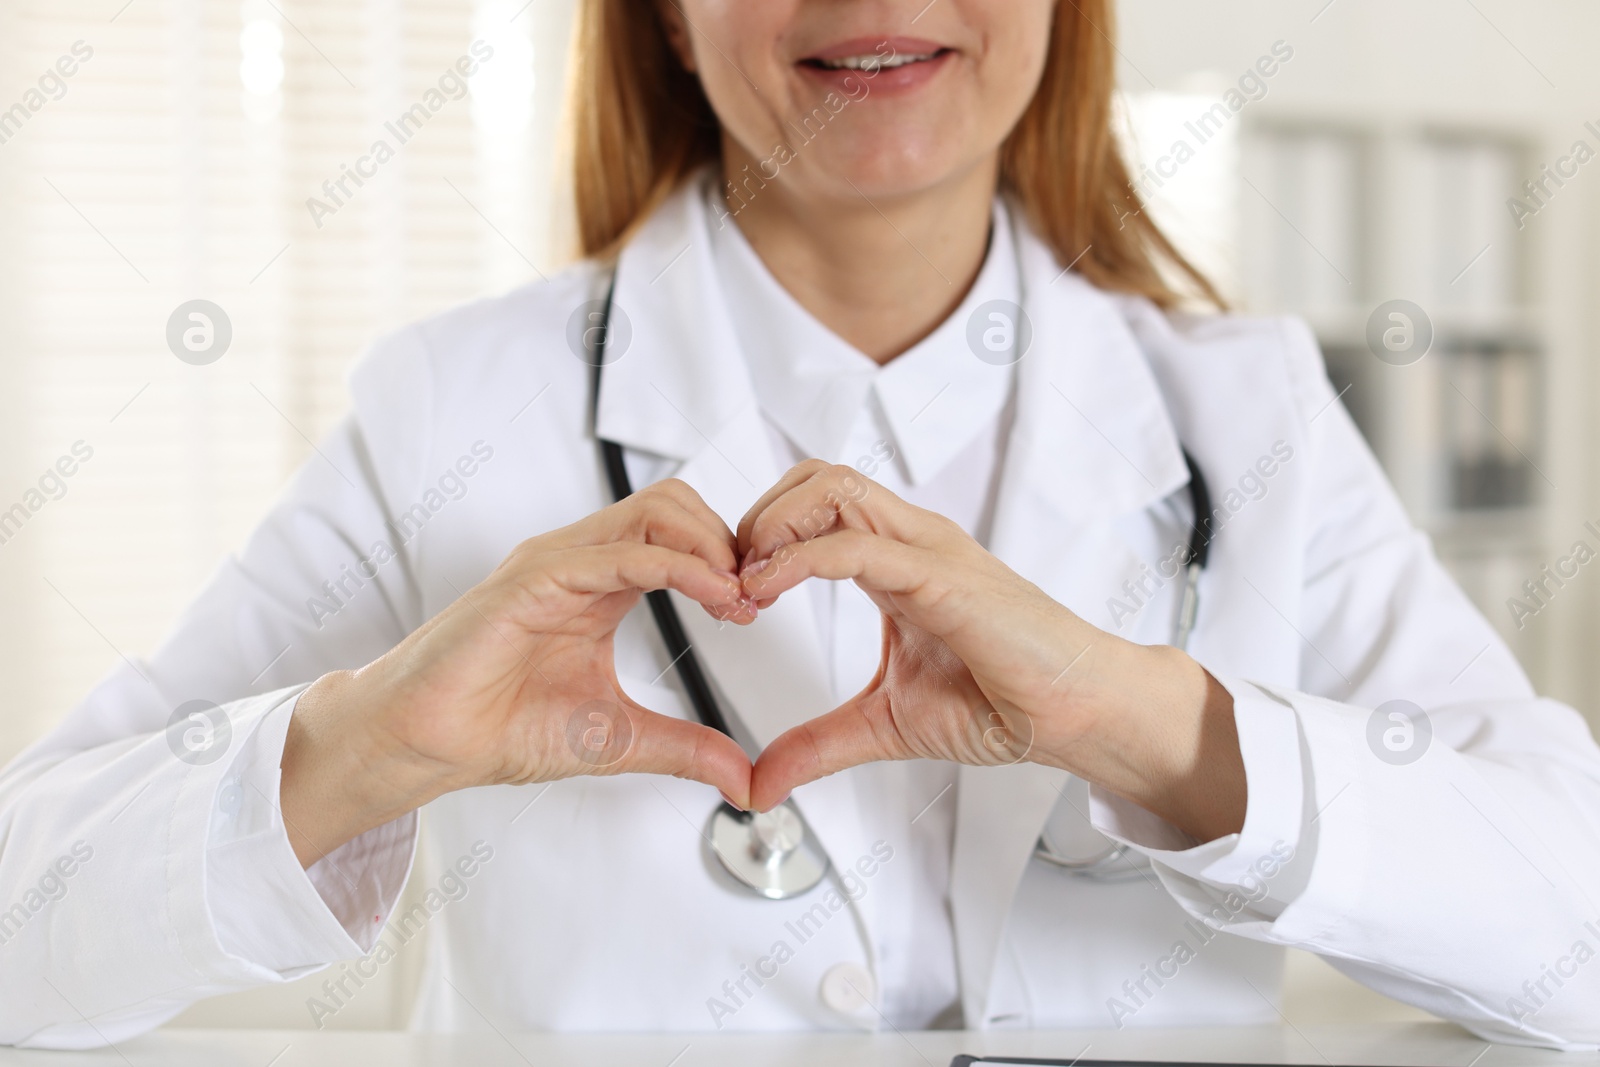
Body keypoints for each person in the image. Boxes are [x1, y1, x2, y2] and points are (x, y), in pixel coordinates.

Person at [3, 0, 1598, 1051]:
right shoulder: (451, 411)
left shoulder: (1249, 417)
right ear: (668, 23)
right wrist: (360, 748)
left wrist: (1149, 729)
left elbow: (1574, 936)